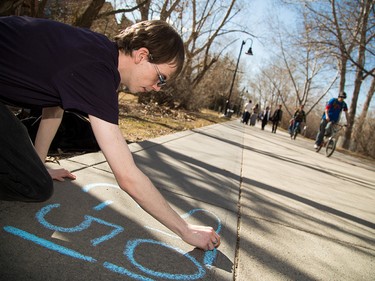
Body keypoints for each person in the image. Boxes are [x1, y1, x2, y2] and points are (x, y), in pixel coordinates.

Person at [0, 16, 220, 251]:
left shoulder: (97, 50)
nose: (157, 87)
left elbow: (54, 108)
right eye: (161, 78)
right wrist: (185, 230)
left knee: (34, 172)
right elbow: (127, 175)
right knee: (35, 186)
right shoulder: (97, 73)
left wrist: (39, 163)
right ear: (142, 55)